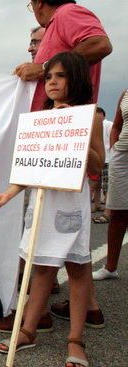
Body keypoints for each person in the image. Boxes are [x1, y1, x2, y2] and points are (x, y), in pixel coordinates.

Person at [0, 52, 104, 367]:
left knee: (78, 269)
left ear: (76, 79)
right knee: (41, 267)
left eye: (60, 76)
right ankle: (27, 330)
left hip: (71, 205)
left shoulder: (88, 116)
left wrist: (75, 132)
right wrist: (7, 195)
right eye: (49, 76)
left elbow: (95, 165)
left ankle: (76, 340)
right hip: (41, 205)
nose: (52, 82)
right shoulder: (40, 117)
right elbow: (29, 169)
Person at [15, 0, 112, 112]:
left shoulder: (67, 12)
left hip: (67, 120)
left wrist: (43, 68)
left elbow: (100, 45)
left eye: (31, 6)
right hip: (50, 120)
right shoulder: (55, 22)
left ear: (39, 3)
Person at [92, 89, 128, 281]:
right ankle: (110, 267)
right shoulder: (125, 94)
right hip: (122, 157)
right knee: (118, 214)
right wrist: (114, 148)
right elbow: (117, 127)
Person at [92, 107, 113, 223]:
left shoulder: (108, 124)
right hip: (105, 158)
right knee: (100, 185)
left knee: (101, 185)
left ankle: (102, 207)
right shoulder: (108, 124)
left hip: (104, 159)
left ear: (101, 114)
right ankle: (99, 206)